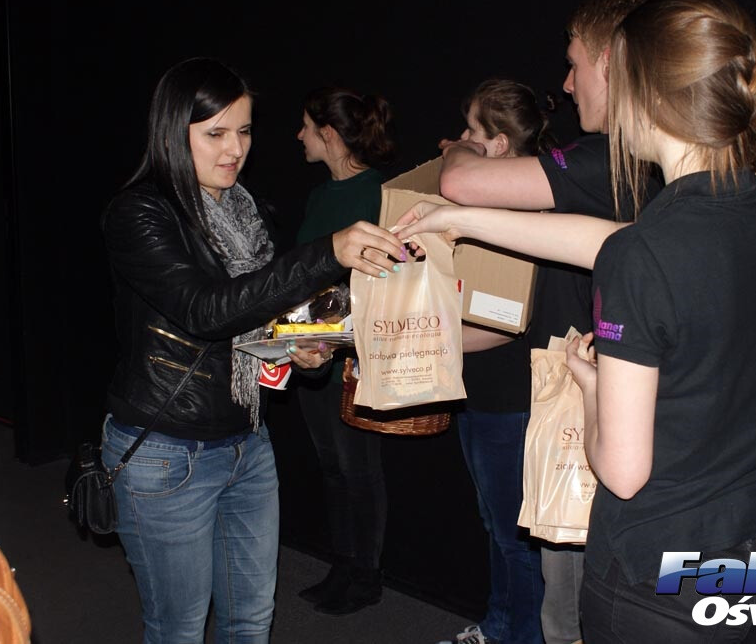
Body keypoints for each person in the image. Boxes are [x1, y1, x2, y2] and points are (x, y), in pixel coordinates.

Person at [398, 0, 756, 642]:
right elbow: (614, 243)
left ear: (643, 92)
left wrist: (591, 389)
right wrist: (462, 219)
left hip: (662, 582)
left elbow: (622, 470)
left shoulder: (649, 250)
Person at [99, 58, 406, 644]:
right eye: (215, 133)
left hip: (247, 439)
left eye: (243, 130)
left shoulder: (245, 210)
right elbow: (206, 311)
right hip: (167, 451)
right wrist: (326, 253)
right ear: (172, 132)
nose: (235, 148)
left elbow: (257, 316)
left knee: (251, 619)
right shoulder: (139, 212)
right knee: (179, 629)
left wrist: (297, 347)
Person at [434, 0, 651, 644]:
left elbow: (504, 312)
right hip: (562, 397)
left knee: (554, 577)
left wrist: (455, 160)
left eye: (574, 64)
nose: (566, 83)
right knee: (537, 560)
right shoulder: (598, 174)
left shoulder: (604, 165)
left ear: (610, 63)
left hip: (559, 402)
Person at [438, 79, 553, 644]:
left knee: (515, 536)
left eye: (472, 131)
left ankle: (520, 635)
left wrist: (416, 343)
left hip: (511, 401)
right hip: (483, 394)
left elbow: (504, 322)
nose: (460, 138)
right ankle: (501, 625)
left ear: (500, 145)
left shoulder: (521, 212)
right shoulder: (491, 209)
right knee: (497, 524)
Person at [292, 86, 395, 616]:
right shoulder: (318, 197)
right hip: (310, 357)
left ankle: (366, 575)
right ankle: (343, 563)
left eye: (307, 128)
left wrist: (337, 337)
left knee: (359, 471)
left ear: (328, 133)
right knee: (331, 468)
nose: (299, 137)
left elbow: (387, 282)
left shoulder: (379, 194)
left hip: (353, 360)